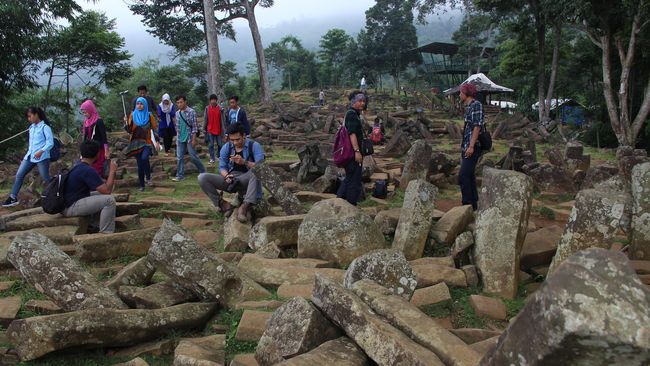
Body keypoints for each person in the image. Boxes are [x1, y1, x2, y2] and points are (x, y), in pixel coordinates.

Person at [198, 123, 264, 223]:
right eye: (232, 140)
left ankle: (245, 206)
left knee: (256, 171)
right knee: (202, 178)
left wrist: (244, 162)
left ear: (244, 135)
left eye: (238, 139)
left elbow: (262, 167)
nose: (235, 142)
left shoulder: (254, 146)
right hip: (232, 180)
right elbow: (222, 167)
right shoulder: (227, 147)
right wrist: (226, 175)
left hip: (248, 180)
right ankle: (224, 205)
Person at [63, 141, 118, 234]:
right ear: (97, 154)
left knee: (101, 194)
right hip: (70, 207)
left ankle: (95, 225)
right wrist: (112, 171)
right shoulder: (87, 170)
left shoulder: (77, 165)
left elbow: (103, 188)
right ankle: (106, 233)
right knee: (109, 200)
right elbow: (107, 190)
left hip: (67, 203)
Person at [3, 107, 53, 207]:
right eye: (28, 117)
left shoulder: (45, 128)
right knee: (19, 174)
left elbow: (50, 143)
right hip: (30, 156)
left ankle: (55, 195)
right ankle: (13, 197)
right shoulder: (31, 127)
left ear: (36, 115)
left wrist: (41, 151)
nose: (29, 119)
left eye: (30, 116)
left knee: (46, 178)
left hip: (42, 157)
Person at [458, 83, 484, 211]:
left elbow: (477, 127)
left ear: (466, 93)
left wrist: (471, 146)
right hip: (467, 146)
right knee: (469, 175)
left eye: (461, 92)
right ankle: (473, 205)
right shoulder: (468, 106)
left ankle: (466, 205)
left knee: (463, 176)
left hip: (473, 146)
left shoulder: (476, 105)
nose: (459, 94)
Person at [336, 93, 365, 206]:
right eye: (360, 101)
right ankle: (351, 204)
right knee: (354, 180)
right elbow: (352, 134)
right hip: (352, 153)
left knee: (350, 178)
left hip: (351, 152)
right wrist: (357, 152)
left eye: (364, 100)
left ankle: (339, 202)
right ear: (353, 102)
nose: (362, 103)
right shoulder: (352, 114)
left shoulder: (354, 114)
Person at [124, 97, 158, 191]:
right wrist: (125, 123)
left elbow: (154, 129)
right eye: (138, 104)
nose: (139, 105)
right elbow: (129, 130)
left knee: (144, 158)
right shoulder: (132, 115)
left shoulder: (149, 115)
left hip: (147, 142)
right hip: (136, 143)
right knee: (140, 164)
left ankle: (148, 177)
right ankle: (142, 185)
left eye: (141, 103)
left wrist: (157, 142)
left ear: (145, 104)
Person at [172, 95, 205, 182]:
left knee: (193, 156)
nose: (180, 104)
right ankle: (180, 175)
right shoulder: (177, 113)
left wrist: (194, 139)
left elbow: (194, 127)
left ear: (185, 102)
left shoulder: (191, 112)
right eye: (178, 103)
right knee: (179, 157)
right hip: (180, 138)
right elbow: (177, 127)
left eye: (181, 102)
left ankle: (202, 170)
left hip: (190, 137)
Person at [80, 100, 109, 177]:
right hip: (90, 150)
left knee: (98, 168)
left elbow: (104, 136)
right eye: (83, 113)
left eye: (85, 112)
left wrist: (106, 150)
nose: (84, 114)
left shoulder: (99, 121)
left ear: (90, 110)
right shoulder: (86, 122)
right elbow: (85, 137)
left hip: (99, 150)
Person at [203, 94, 225, 165]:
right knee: (211, 145)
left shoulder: (220, 108)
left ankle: (219, 156)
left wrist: (224, 129)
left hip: (218, 130)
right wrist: (204, 128)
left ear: (216, 100)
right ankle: (212, 158)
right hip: (210, 129)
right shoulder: (207, 108)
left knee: (220, 145)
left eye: (214, 100)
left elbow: (222, 119)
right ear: (210, 101)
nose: (213, 101)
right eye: (211, 100)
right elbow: (205, 118)